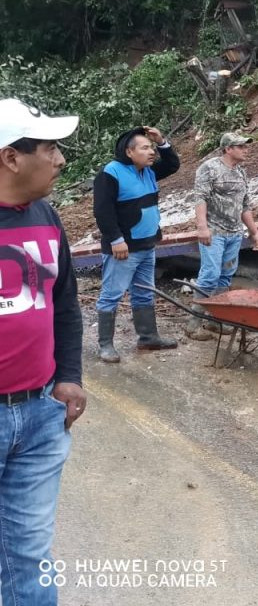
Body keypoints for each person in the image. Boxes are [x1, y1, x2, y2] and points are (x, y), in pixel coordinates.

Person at [0, 99, 86, 606]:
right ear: (11, 157)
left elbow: (65, 305)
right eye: (50, 147)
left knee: (29, 553)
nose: (60, 159)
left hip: (39, 417)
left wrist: (69, 376)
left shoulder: (48, 216)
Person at [93, 126, 180, 363]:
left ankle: (148, 337)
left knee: (144, 293)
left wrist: (162, 140)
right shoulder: (111, 173)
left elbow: (172, 165)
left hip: (147, 245)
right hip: (123, 248)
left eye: (152, 148)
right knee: (112, 294)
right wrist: (116, 240)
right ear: (129, 152)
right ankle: (106, 345)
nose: (151, 152)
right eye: (145, 147)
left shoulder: (148, 171)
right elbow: (102, 211)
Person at [186, 132, 258, 340]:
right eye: (241, 147)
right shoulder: (209, 168)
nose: (245, 150)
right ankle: (193, 324)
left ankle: (215, 320)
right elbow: (200, 197)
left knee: (225, 276)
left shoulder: (240, 173)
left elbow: (244, 204)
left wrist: (253, 231)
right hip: (214, 231)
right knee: (210, 274)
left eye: (245, 146)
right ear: (228, 149)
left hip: (234, 233)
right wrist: (202, 227)